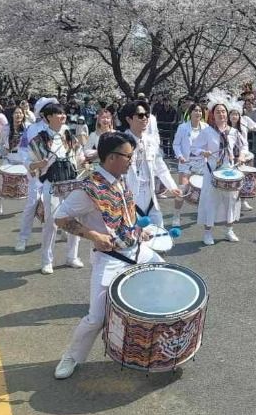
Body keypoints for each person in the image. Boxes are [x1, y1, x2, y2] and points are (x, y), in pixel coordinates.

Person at [52, 131, 165, 380]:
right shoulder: (88, 188)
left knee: (162, 278)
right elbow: (59, 217)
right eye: (128, 156)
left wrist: (139, 229)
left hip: (135, 250)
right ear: (112, 157)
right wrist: (93, 235)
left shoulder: (119, 179)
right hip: (110, 258)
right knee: (97, 317)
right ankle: (71, 356)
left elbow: (125, 212)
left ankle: (149, 346)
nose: (131, 160)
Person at [26, 103, 85, 274]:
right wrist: (39, 163)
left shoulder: (69, 136)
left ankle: (72, 256)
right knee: (51, 223)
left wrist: (86, 159)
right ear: (48, 117)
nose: (63, 116)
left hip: (71, 183)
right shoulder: (39, 139)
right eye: (58, 114)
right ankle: (47, 259)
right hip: (51, 184)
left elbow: (79, 156)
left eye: (63, 113)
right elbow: (29, 164)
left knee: (74, 220)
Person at [122, 100, 179, 230]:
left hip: (150, 195)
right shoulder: (121, 141)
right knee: (134, 238)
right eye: (140, 115)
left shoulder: (150, 141)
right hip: (129, 197)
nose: (145, 119)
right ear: (129, 119)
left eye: (147, 115)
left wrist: (172, 187)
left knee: (159, 234)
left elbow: (160, 166)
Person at [197, 100, 246, 245]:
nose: (221, 114)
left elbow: (243, 147)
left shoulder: (234, 132)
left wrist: (242, 156)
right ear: (212, 114)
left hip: (230, 170)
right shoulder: (207, 131)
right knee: (211, 201)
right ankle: (208, 233)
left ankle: (229, 230)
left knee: (231, 201)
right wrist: (203, 152)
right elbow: (195, 148)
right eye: (218, 111)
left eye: (223, 111)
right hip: (212, 170)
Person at [15, 97, 55, 253]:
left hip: (58, 175)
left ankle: (66, 232)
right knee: (32, 204)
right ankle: (23, 238)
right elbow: (23, 149)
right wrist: (31, 165)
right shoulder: (32, 129)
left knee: (61, 204)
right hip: (38, 174)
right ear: (45, 114)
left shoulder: (62, 129)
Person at [171, 104, 209, 226]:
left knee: (203, 190)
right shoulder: (183, 127)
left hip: (201, 162)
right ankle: (176, 215)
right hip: (186, 162)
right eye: (195, 110)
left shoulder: (206, 127)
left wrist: (207, 152)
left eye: (199, 111)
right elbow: (176, 144)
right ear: (190, 112)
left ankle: (202, 213)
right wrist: (180, 156)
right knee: (182, 189)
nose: (198, 113)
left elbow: (208, 144)